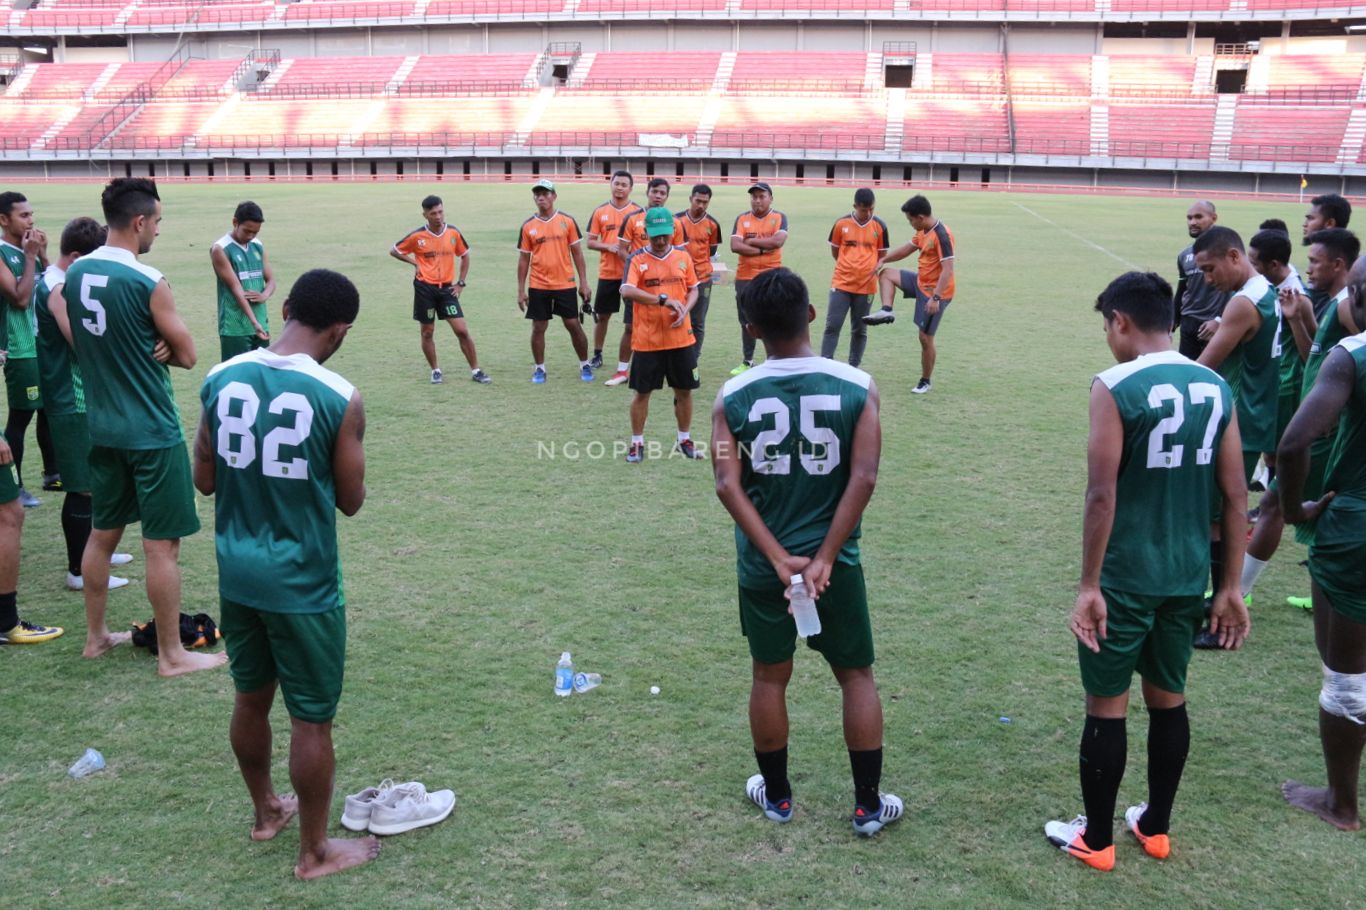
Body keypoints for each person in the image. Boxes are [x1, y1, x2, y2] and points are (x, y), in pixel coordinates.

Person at [1044, 271, 1249, 871]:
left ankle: (1098, 840)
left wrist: (1088, 585)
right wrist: (1230, 585)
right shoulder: (1215, 384)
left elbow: (1101, 495)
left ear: (1121, 322)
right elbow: (1236, 495)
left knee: (1106, 705)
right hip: (1186, 575)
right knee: (1169, 701)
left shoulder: (1113, 384)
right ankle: (1155, 828)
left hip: (1126, 576)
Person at [194, 268, 380, 879]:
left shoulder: (221, 377)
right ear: (340, 329)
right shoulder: (339, 395)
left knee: (250, 697)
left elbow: (204, 478)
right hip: (302, 580)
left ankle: (266, 811)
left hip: (237, 572)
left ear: (289, 308)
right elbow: (351, 502)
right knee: (310, 717)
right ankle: (313, 852)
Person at [712, 266, 902, 836]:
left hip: (764, 566)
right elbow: (864, 476)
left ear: (751, 325)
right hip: (834, 564)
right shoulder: (857, 383)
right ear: (812, 315)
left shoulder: (732, 393)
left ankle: (778, 798)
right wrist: (822, 558)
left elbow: (726, 482)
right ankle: (868, 805)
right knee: (856, 676)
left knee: (770, 676)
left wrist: (775, 556)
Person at [64, 177, 226, 676]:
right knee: (161, 546)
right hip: (152, 432)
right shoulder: (147, 279)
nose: (157, 230)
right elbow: (188, 354)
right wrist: (161, 347)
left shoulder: (74, 274)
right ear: (139, 222)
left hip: (103, 427)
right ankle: (172, 655)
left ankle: (96, 639)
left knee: (102, 536)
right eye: (156, 221)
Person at [1277, 261, 1366, 832]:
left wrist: (1293, 510)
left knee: (1346, 678)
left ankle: (1340, 803)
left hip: (1355, 530)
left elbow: (1294, 444)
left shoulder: (1352, 354)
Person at [1242, 229, 1358, 606]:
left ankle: (1236, 592)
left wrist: (1340, 415)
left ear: (1339, 265)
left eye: (1314, 261)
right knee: (1321, 505)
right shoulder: (1335, 302)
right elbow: (1319, 361)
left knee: (1277, 503)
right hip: (1324, 426)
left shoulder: (1348, 305)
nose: (1307, 268)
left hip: (1326, 434)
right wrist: (1297, 320)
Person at [35, 217, 134, 593]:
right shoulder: (58, 288)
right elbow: (78, 340)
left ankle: (99, 553)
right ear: (76, 257)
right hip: (69, 398)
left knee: (97, 480)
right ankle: (79, 570)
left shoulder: (58, 277)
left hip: (81, 396)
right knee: (82, 487)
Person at [1193, 226, 1279, 647]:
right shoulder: (1262, 290)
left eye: (1210, 270)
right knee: (1220, 513)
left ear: (1233, 255)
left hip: (1238, 421)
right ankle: (1213, 605)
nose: (1208, 279)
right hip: (1251, 416)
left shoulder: (1244, 302)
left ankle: (1218, 612)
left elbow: (1206, 367)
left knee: (1219, 517)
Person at [620, 207, 701, 463]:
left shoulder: (682, 257)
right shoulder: (636, 259)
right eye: (655, 235)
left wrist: (685, 309)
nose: (660, 240)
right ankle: (636, 444)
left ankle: (684, 440)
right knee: (642, 393)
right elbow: (626, 290)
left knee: (684, 391)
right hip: (647, 341)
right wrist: (662, 300)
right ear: (645, 232)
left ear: (673, 232)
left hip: (680, 339)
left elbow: (694, 289)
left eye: (665, 235)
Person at [390, 195, 490, 385]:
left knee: (462, 331)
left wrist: (460, 283)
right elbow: (394, 250)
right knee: (427, 331)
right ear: (425, 215)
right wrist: (414, 263)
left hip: (446, 291)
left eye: (440, 212)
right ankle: (435, 370)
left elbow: (465, 256)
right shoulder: (417, 236)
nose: (438, 216)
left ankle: (476, 370)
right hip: (424, 289)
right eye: (433, 213)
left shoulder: (453, 233)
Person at [864, 194, 955, 395]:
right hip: (921, 282)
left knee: (925, 338)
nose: (910, 223)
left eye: (911, 220)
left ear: (920, 217)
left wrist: (936, 298)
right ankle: (887, 310)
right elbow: (907, 249)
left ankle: (925, 381)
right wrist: (884, 260)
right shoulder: (923, 231)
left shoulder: (941, 234)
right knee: (886, 274)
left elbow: (948, 269)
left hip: (936, 291)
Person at [0, 191, 54, 506]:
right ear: (4, 219)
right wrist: (31, 256)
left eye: (31, 214)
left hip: (41, 345)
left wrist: (43, 255)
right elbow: (19, 299)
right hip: (20, 350)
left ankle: (53, 473)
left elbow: (50, 287)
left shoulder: (26, 250)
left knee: (48, 410)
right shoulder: (4, 254)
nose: (31, 220)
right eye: (23, 215)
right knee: (21, 418)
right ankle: (14, 485)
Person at [607, 177, 685, 387]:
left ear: (667, 197)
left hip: (668, 286)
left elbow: (680, 254)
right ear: (647, 192)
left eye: (662, 193)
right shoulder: (632, 219)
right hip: (639, 287)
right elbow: (623, 250)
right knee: (631, 326)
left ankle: (670, 370)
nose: (658, 196)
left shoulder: (674, 222)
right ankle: (622, 370)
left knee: (670, 323)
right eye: (655, 192)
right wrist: (638, 271)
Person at [516, 180, 593, 384]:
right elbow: (524, 259)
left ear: (554, 196)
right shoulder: (528, 226)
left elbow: (577, 253)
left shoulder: (566, 221)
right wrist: (520, 290)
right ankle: (539, 368)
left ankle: (584, 363)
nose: (541, 197)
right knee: (538, 327)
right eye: (537, 194)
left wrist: (584, 283)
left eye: (545, 193)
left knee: (573, 324)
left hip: (565, 284)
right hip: (538, 285)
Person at [821, 188, 889, 368]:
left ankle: (853, 368)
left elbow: (882, 254)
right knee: (832, 325)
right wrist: (849, 266)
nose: (868, 213)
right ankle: (826, 365)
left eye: (871, 209)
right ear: (855, 206)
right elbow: (835, 251)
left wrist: (872, 267)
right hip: (841, 283)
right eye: (864, 210)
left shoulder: (880, 226)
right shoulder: (841, 223)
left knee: (860, 329)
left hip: (866, 287)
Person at [729, 182, 788, 376]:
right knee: (746, 321)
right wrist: (764, 249)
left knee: (773, 319)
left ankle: (776, 360)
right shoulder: (742, 218)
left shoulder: (779, 217)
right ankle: (748, 361)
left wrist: (752, 242)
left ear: (771, 198)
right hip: (745, 276)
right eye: (754, 197)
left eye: (762, 196)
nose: (757, 200)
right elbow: (735, 245)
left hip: (771, 276)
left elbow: (777, 241)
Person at [585, 170, 641, 371]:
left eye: (624, 185)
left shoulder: (638, 212)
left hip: (632, 276)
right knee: (602, 316)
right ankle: (597, 354)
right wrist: (607, 247)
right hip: (608, 273)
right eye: (616, 183)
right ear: (611, 184)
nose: (619, 188)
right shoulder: (600, 212)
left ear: (630, 188)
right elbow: (590, 242)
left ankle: (633, 356)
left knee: (633, 320)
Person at [211, 200, 276, 363]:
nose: (251, 236)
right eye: (247, 231)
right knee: (236, 378)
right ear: (235, 222)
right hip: (235, 328)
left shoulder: (257, 245)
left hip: (261, 325)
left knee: (262, 375)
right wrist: (254, 322)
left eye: (255, 232)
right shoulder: (220, 249)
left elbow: (271, 280)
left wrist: (264, 295)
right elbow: (236, 288)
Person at [1171, 201, 1230, 361]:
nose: (1193, 222)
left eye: (1198, 217)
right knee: (1188, 374)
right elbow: (1182, 289)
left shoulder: (1227, 251)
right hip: (1188, 323)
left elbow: (1238, 289)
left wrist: (1220, 320)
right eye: (1189, 218)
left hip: (1214, 325)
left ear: (1214, 218)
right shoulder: (1184, 255)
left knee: (1215, 375)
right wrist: (1173, 321)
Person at [676, 184, 721, 358]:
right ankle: (676, 355)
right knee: (677, 316)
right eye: (698, 201)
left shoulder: (712, 224)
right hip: (679, 278)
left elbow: (711, 251)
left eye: (705, 202)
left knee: (698, 321)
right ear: (690, 199)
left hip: (703, 278)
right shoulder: (677, 220)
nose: (701, 205)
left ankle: (693, 359)